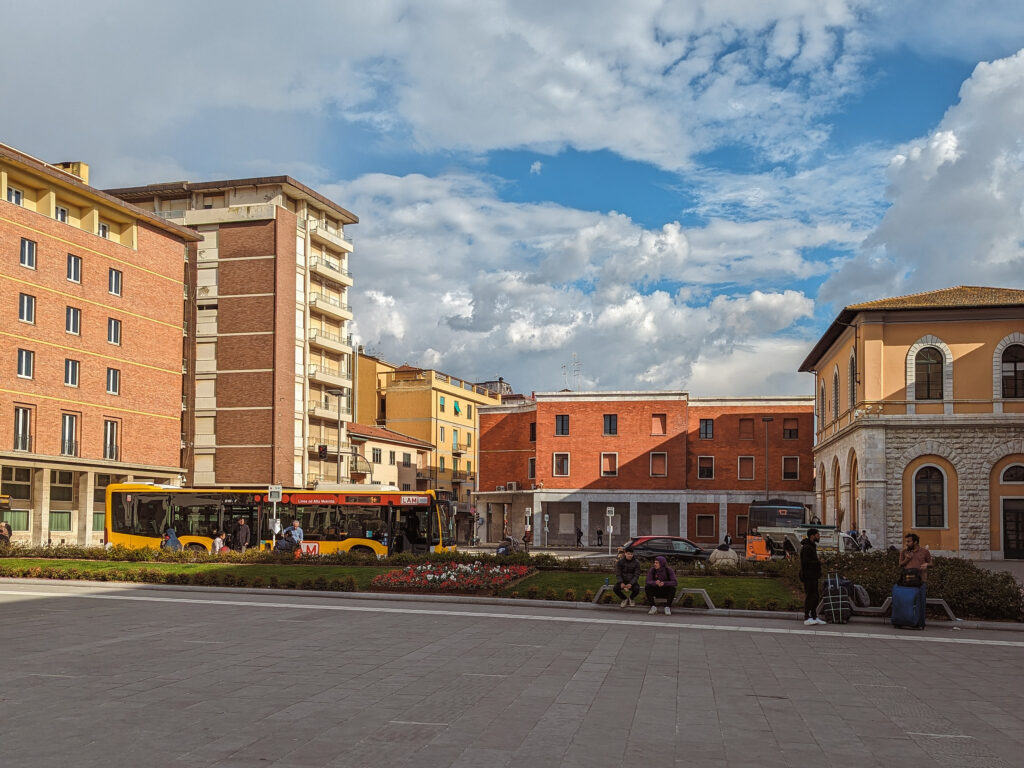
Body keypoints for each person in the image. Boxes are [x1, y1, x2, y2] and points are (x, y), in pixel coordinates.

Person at [799, 528, 826, 625]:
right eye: (817, 535)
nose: (819, 537)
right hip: (808, 576)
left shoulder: (812, 546)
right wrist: (819, 562)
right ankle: (807, 617)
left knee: (815, 596)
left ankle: (814, 616)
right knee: (810, 596)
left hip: (813, 576)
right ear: (812, 536)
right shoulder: (807, 547)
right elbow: (806, 562)